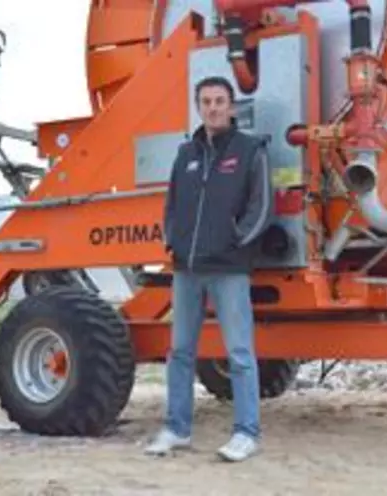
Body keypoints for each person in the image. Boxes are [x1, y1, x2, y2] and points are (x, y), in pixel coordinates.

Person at [144, 75, 274, 462]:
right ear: (198, 106)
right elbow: (171, 204)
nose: (213, 108)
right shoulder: (186, 153)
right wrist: (173, 241)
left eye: (220, 101)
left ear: (232, 108)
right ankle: (177, 428)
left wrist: (236, 240)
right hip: (186, 268)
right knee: (180, 352)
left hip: (230, 268)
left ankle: (246, 433)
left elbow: (262, 206)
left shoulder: (250, 150)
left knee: (239, 353)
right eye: (206, 101)